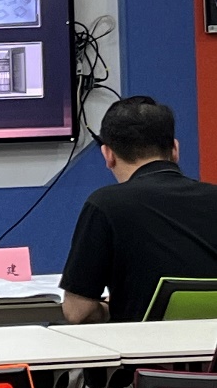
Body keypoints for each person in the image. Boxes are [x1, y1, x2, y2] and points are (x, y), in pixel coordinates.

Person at [60, 96, 217, 324]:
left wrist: (110, 308)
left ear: (108, 155)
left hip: (143, 345)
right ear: (175, 150)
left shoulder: (105, 205)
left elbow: (78, 312)